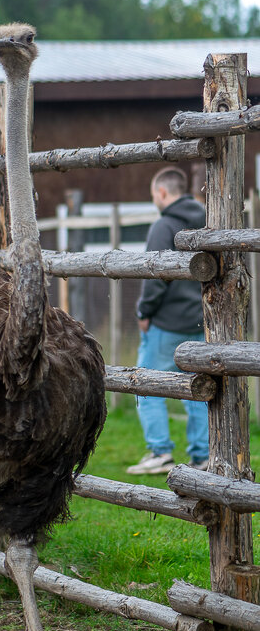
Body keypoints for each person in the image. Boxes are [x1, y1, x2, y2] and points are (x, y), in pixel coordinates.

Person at [127, 166, 209, 475]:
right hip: (200, 322)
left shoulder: (163, 226)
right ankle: (202, 456)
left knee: (144, 385)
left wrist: (143, 312)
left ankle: (160, 451)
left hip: (166, 322)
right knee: (197, 392)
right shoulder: (206, 219)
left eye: (153, 195)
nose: (154, 200)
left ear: (162, 192)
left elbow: (156, 275)